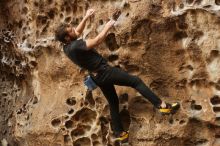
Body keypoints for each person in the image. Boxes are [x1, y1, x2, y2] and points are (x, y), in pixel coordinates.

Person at [55, 9, 180, 142]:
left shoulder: (66, 47)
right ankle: (162, 106)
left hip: (97, 77)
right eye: (71, 30)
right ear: (67, 38)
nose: (74, 30)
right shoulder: (75, 46)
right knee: (136, 81)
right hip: (104, 72)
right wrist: (109, 25)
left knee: (113, 102)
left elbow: (77, 32)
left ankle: (119, 132)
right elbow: (97, 40)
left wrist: (86, 17)